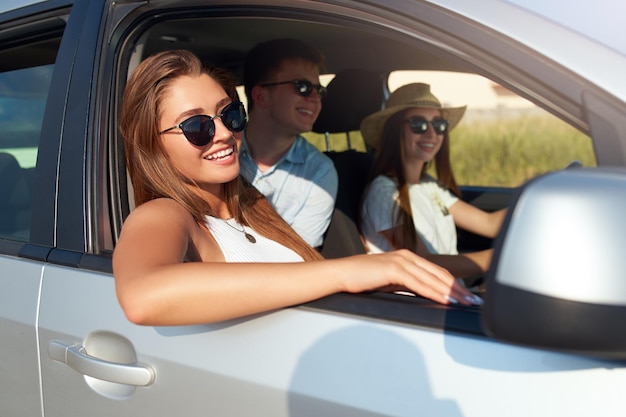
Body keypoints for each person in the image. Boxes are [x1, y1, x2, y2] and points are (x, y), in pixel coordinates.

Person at [112, 50, 482, 326]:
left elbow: (299, 282)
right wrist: (346, 272)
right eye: (196, 126)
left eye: (229, 115)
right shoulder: (164, 214)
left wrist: (376, 281)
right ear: (153, 143)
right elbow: (143, 296)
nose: (224, 132)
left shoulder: (254, 204)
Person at [360, 83, 507, 279]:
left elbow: (488, 224)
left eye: (439, 125)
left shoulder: (429, 185)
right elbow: (422, 262)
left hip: (449, 293)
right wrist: (501, 257)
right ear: (394, 131)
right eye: (418, 124)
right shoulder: (384, 192)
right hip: (414, 305)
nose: (431, 133)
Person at [240, 38, 338, 249]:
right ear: (261, 96)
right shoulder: (217, 152)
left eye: (319, 90)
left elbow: (298, 256)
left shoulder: (320, 172)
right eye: (302, 87)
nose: (315, 98)